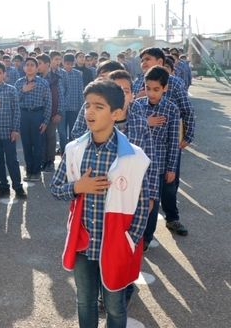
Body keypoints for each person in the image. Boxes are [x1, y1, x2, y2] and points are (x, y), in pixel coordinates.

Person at [51, 80, 151, 328]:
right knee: (85, 302)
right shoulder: (74, 149)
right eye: (87, 106)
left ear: (116, 114)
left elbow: (143, 201)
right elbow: (55, 188)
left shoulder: (134, 157)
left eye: (99, 106)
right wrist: (77, 188)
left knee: (115, 305)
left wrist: (131, 238)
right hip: (84, 244)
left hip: (116, 243)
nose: (89, 112)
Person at [133, 47, 195, 235]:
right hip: (142, 150)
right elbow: (129, 112)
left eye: (148, 59)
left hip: (166, 148)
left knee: (168, 186)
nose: (143, 62)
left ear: (160, 61)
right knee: (142, 190)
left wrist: (187, 136)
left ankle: (172, 219)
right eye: (142, 59)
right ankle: (141, 227)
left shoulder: (174, 83)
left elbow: (187, 111)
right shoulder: (138, 84)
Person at [137, 66, 181, 248]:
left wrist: (171, 168)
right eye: (148, 88)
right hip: (138, 164)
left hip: (159, 165)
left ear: (165, 88)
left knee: (152, 204)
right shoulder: (137, 106)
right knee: (136, 201)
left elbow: (173, 142)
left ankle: (146, 238)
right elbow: (129, 133)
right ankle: (135, 234)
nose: (151, 93)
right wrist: (146, 123)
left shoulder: (171, 109)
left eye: (156, 89)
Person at [0, 61, 26, 199]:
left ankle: (18, 187)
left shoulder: (11, 90)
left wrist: (15, 129)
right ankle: (3, 186)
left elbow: (16, 111)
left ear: (4, 74)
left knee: (12, 160)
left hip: (8, 132)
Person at [15, 57, 51, 182]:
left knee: (38, 144)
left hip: (38, 114)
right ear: (24, 68)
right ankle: (29, 170)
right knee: (26, 144)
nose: (29, 67)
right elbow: (14, 102)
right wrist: (23, 91)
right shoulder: (19, 83)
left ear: (37, 68)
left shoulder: (43, 83)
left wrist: (46, 121)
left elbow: (48, 103)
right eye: (27, 65)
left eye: (32, 65)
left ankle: (36, 171)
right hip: (24, 116)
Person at [37, 53, 64, 172]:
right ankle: (42, 160)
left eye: (39, 64)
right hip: (39, 114)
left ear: (47, 64)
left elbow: (61, 96)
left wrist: (59, 113)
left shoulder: (56, 78)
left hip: (53, 113)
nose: (37, 66)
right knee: (40, 138)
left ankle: (50, 161)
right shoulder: (36, 78)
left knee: (51, 137)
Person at [59, 53, 84, 149]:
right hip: (62, 108)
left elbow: (80, 91)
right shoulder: (59, 73)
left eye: (71, 64)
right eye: (67, 63)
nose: (69, 66)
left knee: (73, 131)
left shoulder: (78, 74)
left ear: (73, 63)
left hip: (74, 107)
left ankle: (73, 150)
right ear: (63, 63)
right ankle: (63, 150)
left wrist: (81, 107)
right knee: (62, 132)